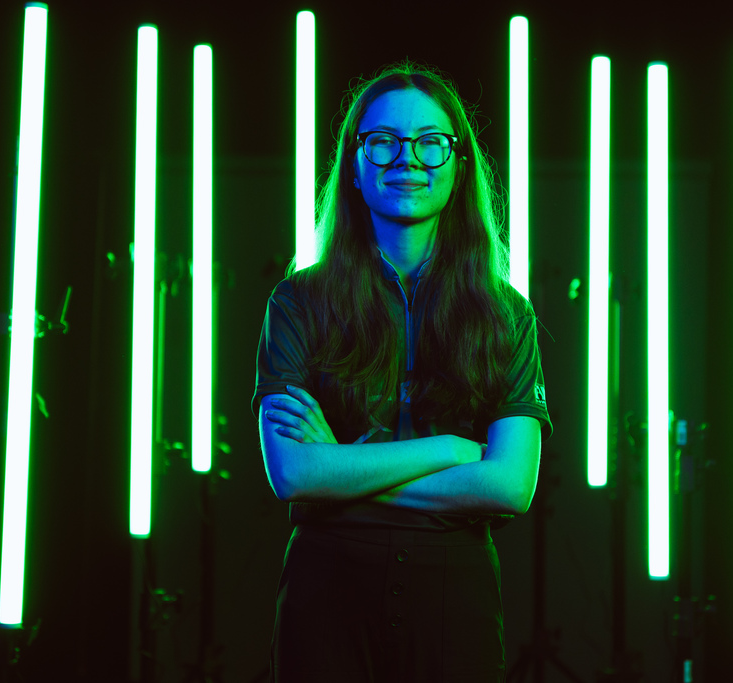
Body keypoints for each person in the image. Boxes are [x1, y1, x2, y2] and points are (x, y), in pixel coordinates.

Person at [251, 60, 553, 683]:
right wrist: (448, 449)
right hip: (327, 585)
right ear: (355, 168)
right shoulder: (298, 303)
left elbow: (508, 486)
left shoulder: (506, 315)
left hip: (455, 591)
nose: (406, 159)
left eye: (430, 143)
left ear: (459, 165)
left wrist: (343, 469)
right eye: (382, 141)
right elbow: (293, 472)